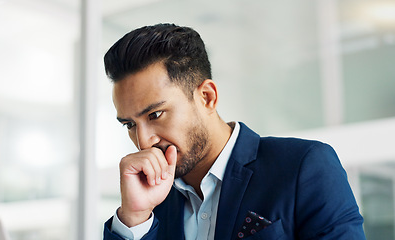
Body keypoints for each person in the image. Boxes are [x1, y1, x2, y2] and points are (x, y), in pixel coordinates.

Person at [102, 23, 366, 240]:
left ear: (206, 97)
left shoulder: (304, 166)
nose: (144, 140)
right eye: (130, 124)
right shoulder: (149, 203)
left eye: (155, 114)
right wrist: (134, 217)